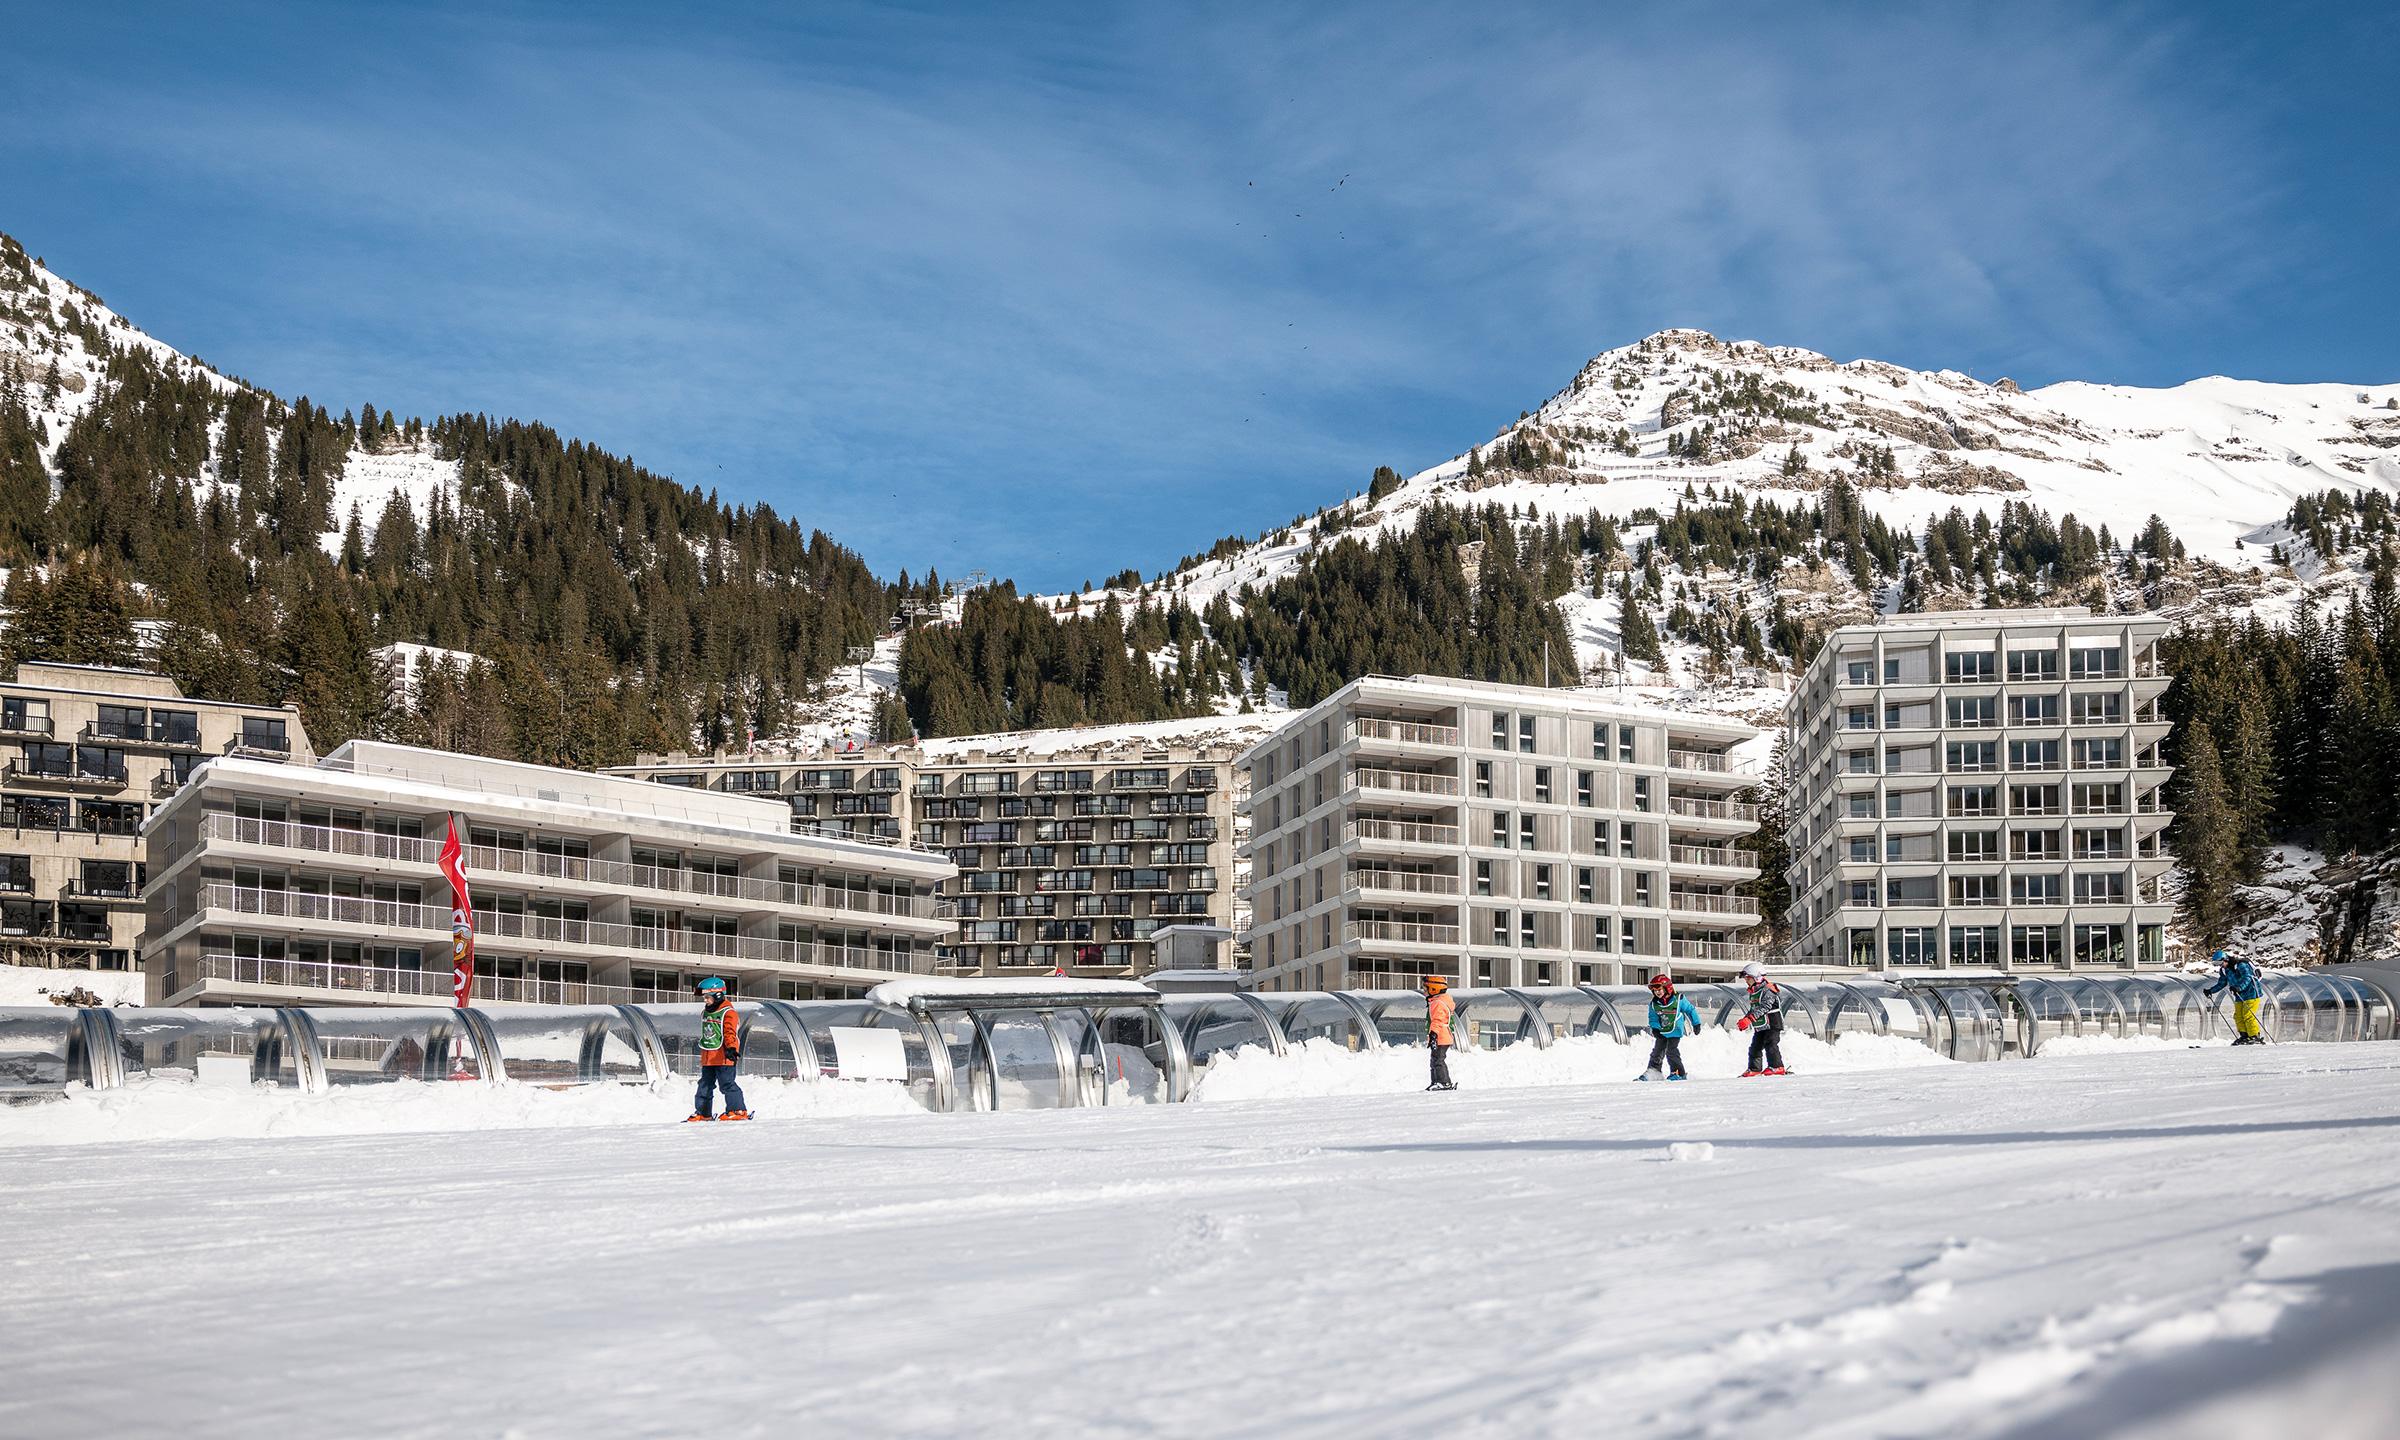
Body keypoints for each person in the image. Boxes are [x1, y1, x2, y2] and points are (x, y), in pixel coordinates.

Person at [688, 977, 752, 1121]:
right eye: (704, 997)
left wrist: (731, 1048)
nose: (705, 1000)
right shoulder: (705, 1012)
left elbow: (730, 1032)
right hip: (709, 1057)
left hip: (724, 1056)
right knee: (704, 1085)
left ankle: (738, 1110)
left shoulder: (728, 1012)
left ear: (717, 995)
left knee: (727, 1084)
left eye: (707, 997)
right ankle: (704, 1113)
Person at [1639, 973, 1702, 1081]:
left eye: (1659, 989)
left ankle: (1678, 1072)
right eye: (1654, 990)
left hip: (1675, 1031)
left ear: (1667, 988)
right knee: (1657, 1051)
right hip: (1662, 1031)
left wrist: (1696, 1023)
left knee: (1671, 1052)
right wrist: (1655, 1028)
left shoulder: (1678, 999)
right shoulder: (1654, 1004)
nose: (1657, 992)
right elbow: (1653, 1018)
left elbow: (1690, 1010)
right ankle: (1654, 1071)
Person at [2203, 948, 2266, 1046]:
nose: (2219, 966)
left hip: (2251, 993)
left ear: (2225, 959)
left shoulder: (2240, 965)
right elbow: (2222, 983)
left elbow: (2248, 977)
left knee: (2248, 1015)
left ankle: (2254, 1036)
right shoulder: (2224, 970)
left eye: (2220, 963)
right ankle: (2244, 1036)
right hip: (2239, 994)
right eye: (2216, 964)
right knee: (2238, 1016)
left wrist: (2238, 987)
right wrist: (2211, 991)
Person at [1734, 960, 1787, 1077]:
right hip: (1761, 1025)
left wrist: (1750, 1019)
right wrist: (1746, 1019)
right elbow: (1754, 1008)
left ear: (1757, 977)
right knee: (1755, 1046)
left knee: (1771, 1044)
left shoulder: (1768, 989)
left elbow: (1765, 1006)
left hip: (1773, 1023)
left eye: (1748, 978)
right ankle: (1754, 1068)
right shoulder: (1754, 991)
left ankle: (1777, 1066)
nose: (1746, 981)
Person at [1425, 975, 1458, 1091]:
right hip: (1443, 1036)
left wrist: (1433, 1035)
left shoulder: (1438, 1003)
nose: (1425, 991)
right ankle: (1435, 1081)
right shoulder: (1439, 1001)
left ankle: (1444, 1082)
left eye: (1426, 988)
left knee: (1438, 1060)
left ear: (1434, 989)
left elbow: (1437, 1021)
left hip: (1441, 1036)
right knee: (1434, 1059)